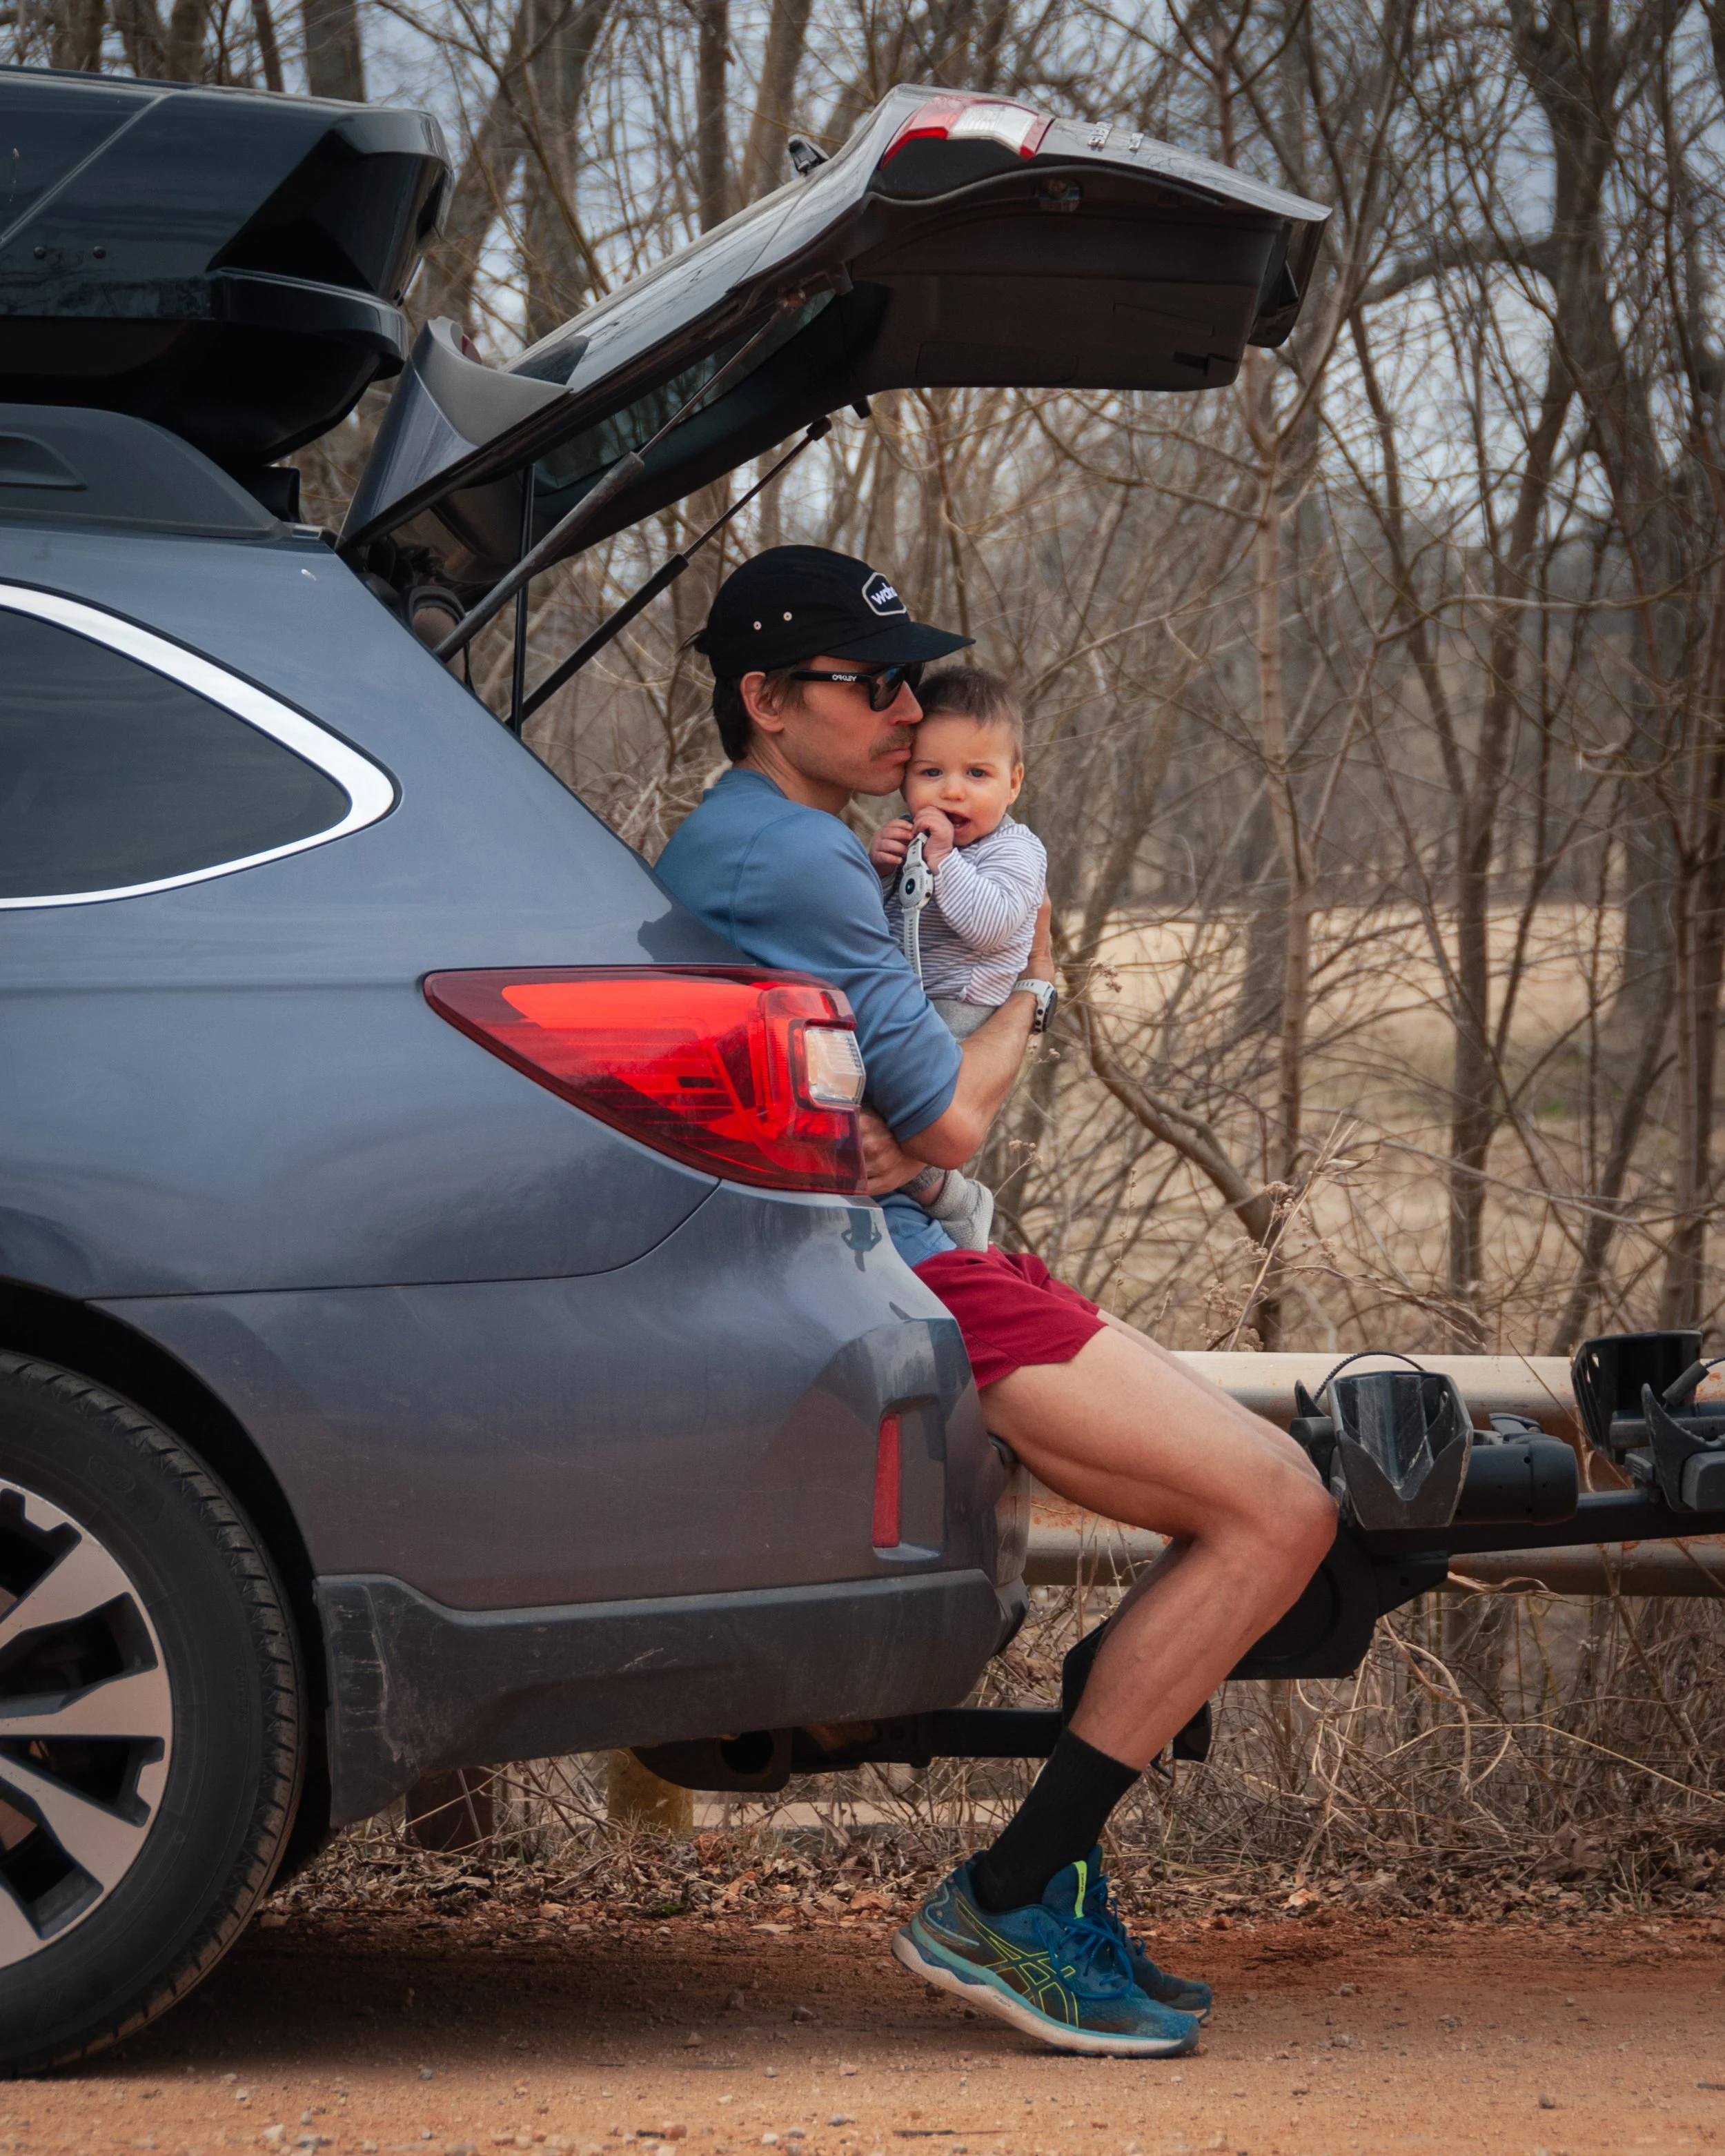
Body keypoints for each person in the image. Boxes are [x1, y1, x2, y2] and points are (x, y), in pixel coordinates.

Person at [656, 545, 1336, 2060]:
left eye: (912, 682)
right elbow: (953, 1119)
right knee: (1277, 1509)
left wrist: (915, 1117)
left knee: (1253, 1495)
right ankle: (1012, 1892)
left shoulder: (762, 840)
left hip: (891, 1243)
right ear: (767, 698)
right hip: (896, 1268)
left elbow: (907, 1118)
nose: (909, 712)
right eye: (872, 684)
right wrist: (1032, 984)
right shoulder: (800, 857)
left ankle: (1056, 1866)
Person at [868, 664, 1043, 1251]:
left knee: (896, 1126)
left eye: (977, 773)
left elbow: (991, 928)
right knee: (870, 1119)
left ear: (1013, 783)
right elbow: (872, 927)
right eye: (931, 772)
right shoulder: (913, 838)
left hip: (962, 1012)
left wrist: (944, 863)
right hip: (912, 1002)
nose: (952, 791)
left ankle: (958, 1204)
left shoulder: (1016, 851)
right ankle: (946, 1201)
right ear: (904, 779)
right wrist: (877, 869)